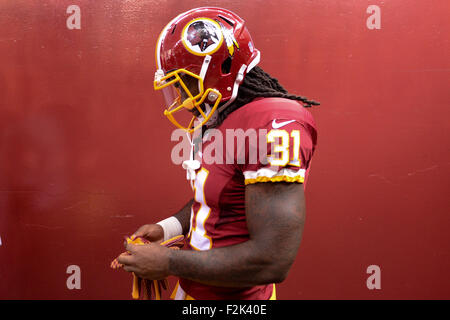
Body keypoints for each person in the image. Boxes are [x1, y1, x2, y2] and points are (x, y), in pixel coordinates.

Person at [117, 6, 319, 300]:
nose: (183, 98)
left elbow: (273, 260)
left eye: (184, 82)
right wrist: (170, 227)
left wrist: (170, 262)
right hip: (195, 287)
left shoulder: (275, 123)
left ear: (220, 69)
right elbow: (219, 196)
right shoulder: (223, 114)